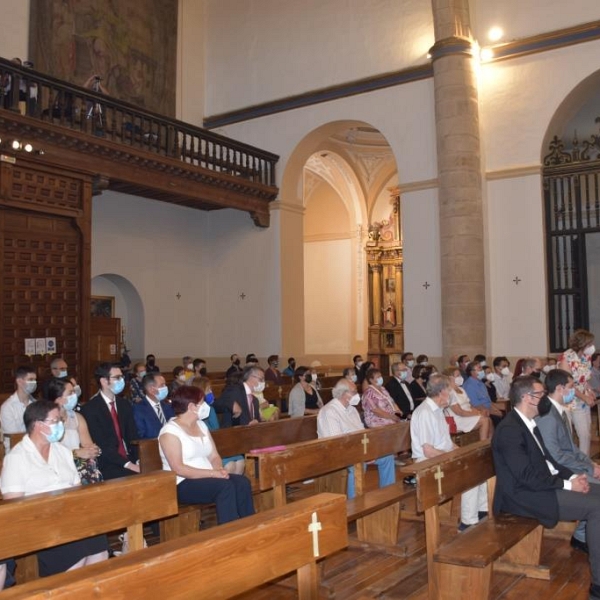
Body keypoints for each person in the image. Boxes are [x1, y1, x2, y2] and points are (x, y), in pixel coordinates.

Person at [492, 375, 600, 600]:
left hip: (541, 486)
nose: (544, 399)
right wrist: (567, 485)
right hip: (522, 497)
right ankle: (598, 585)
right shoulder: (510, 429)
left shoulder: (529, 422)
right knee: (597, 507)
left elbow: (550, 461)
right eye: (540, 394)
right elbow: (525, 477)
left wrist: (574, 476)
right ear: (527, 398)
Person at [0, 401, 108, 576]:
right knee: (77, 555)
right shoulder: (17, 458)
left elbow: (76, 489)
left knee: (99, 548)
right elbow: (14, 506)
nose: (61, 425)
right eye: (56, 420)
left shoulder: (63, 451)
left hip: (69, 515)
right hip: (39, 521)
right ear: (38, 425)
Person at [158, 385, 254, 524]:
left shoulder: (201, 425)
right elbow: (178, 468)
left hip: (208, 476)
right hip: (182, 483)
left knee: (242, 482)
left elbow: (214, 456)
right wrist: (213, 474)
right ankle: (229, 532)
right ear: (191, 406)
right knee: (225, 487)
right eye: (202, 402)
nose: (206, 405)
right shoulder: (170, 432)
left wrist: (218, 469)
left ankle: (249, 525)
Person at [411, 373, 487, 531]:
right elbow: (428, 450)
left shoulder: (439, 410)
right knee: (470, 474)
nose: (452, 394)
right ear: (441, 392)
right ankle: (467, 522)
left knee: (479, 465)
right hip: (428, 463)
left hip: (441, 457)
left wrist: (463, 453)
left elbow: (448, 443)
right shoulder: (425, 412)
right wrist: (454, 458)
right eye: (449, 391)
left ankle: (482, 512)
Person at [536, 368, 600, 553]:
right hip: (559, 473)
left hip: (570, 465)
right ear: (560, 388)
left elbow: (571, 447)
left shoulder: (559, 410)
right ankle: (584, 537)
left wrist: (591, 464)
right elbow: (555, 456)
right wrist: (587, 469)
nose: (574, 391)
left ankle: (581, 536)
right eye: (571, 387)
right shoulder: (548, 416)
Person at [317, 378, 395, 499]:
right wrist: (361, 454)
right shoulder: (329, 411)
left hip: (356, 450)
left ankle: (388, 495)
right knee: (358, 465)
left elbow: (361, 433)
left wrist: (369, 451)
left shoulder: (352, 409)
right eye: (354, 392)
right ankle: (354, 504)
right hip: (335, 453)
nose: (357, 395)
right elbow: (336, 443)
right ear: (344, 394)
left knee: (387, 456)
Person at [81, 363, 140, 480]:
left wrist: (139, 459)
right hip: (108, 462)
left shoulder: (124, 404)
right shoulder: (91, 409)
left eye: (122, 377)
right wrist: (129, 465)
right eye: (117, 377)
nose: (122, 380)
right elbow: (102, 445)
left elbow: (133, 435)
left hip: (130, 458)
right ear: (104, 381)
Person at [190, 376, 244, 475]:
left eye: (211, 389)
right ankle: (225, 487)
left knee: (240, 461)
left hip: (215, 446)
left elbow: (216, 429)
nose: (211, 392)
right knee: (230, 465)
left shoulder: (210, 409)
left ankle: (234, 487)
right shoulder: (192, 410)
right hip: (203, 450)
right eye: (208, 390)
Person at [46, 378, 101, 473]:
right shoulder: (45, 420)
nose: (74, 395)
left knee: (91, 468)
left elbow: (87, 444)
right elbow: (48, 452)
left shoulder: (77, 417)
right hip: (57, 465)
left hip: (78, 463)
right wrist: (75, 453)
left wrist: (92, 450)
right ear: (59, 400)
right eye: (70, 393)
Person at [558, 329, 597, 456]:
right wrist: (584, 397)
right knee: (570, 433)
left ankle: (584, 462)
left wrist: (589, 391)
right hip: (569, 400)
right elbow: (568, 384)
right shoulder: (566, 357)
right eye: (590, 344)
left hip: (582, 401)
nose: (592, 346)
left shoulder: (586, 357)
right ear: (582, 344)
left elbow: (584, 379)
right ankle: (572, 464)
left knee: (585, 434)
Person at [443, 367, 491, 441]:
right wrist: (477, 413)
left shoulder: (461, 389)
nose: (460, 377)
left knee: (488, 418)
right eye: (458, 375)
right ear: (450, 378)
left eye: (460, 375)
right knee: (484, 421)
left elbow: (470, 405)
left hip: (467, 415)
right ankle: (483, 445)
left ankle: (490, 443)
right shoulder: (450, 392)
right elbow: (459, 412)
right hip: (457, 419)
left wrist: (478, 412)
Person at [132, 373, 174, 439]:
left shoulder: (168, 405)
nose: (166, 387)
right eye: (162, 385)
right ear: (151, 389)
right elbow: (141, 436)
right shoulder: (138, 410)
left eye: (165, 384)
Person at [462, 361, 504, 427]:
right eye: (479, 369)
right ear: (472, 372)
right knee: (498, 419)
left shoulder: (481, 383)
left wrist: (496, 410)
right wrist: (492, 412)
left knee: (505, 414)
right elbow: (476, 405)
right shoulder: (469, 386)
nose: (482, 371)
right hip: (481, 411)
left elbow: (488, 401)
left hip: (488, 408)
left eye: (481, 369)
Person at [1, 365, 37, 434]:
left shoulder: (36, 403)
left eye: (35, 380)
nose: (34, 382)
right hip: (16, 443)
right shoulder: (8, 407)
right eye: (31, 380)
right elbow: (13, 435)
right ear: (19, 381)